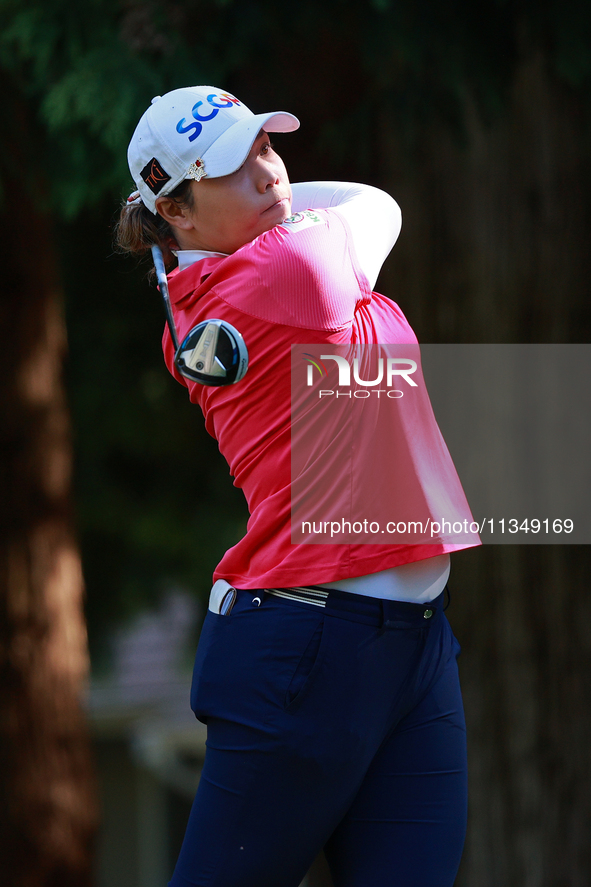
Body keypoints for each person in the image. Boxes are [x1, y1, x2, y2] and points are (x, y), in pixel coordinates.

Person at [117, 85, 480, 887]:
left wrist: (212, 225)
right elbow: (373, 205)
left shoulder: (227, 278)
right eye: (234, 170)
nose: (271, 176)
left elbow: (344, 211)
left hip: (410, 642)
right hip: (308, 646)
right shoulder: (290, 267)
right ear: (175, 212)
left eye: (266, 150)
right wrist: (247, 228)